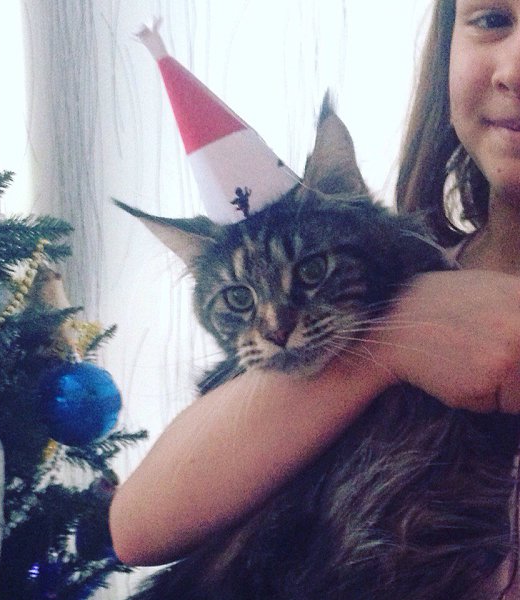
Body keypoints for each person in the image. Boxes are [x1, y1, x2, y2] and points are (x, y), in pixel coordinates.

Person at [110, 0, 520, 573]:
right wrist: (400, 338)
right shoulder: (410, 288)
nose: (515, 69)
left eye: (307, 275)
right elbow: (135, 529)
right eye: (493, 19)